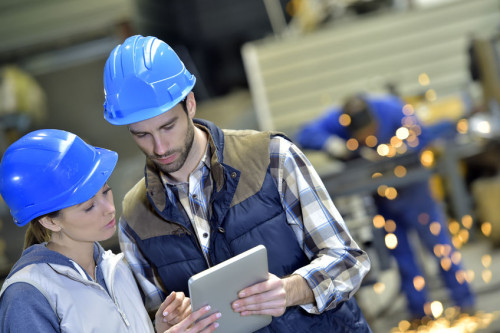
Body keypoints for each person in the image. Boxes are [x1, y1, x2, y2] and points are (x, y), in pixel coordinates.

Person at [102, 34, 373, 332]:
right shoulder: (134, 218)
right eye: (142, 135)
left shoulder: (271, 158)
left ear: (190, 104)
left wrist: (291, 290)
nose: (159, 147)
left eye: (168, 126)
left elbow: (349, 261)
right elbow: (152, 317)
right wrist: (164, 326)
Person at [0, 129, 221, 332]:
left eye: (106, 192)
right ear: (50, 221)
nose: (109, 209)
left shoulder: (116, 269)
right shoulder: (27, 295)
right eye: (88, 207)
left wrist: (157, 328)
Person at [295, 93, 476, 320]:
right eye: (361, 137)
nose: (367, 138)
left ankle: (465, 302)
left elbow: (423, 135)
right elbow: (304, 134)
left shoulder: (391, 110)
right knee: (401, 254)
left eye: (370, 133)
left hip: (414, 189)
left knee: (438, 245)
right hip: (382, 196)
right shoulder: (340, 121)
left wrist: (400, 149)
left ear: (376, 122)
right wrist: (332, 144)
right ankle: (420, 313)